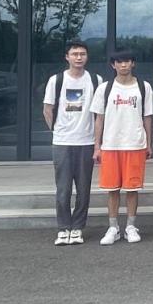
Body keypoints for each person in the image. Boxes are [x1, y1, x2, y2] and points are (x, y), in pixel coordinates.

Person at [90, 49, 153, 246]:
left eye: (127, 61)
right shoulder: (104, 89)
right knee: (112, 189)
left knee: (132, 188)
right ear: (113, 65)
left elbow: (148, 117)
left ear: (133, 63)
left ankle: (130, 226)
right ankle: (113, 228)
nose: (123, 65)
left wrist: (149, 143)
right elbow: (99, 119)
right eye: (119, 62)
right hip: (110, 145)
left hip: (135, 144)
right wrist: (97, 146)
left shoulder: (144, 87)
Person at [43, 41, 102, 246]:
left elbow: (99, 113)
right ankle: (63, 228)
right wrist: (57, 130)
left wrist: (98, 142)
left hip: (86, 141)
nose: (79, 57)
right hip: (62, 142)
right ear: (67, 57)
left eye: (82, 54)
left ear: (87, 57)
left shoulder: (95, 80)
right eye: (74, 54)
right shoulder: (56, 80)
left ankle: (77, 228)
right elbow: (48, 109)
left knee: (84, 189)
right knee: (63, 189)